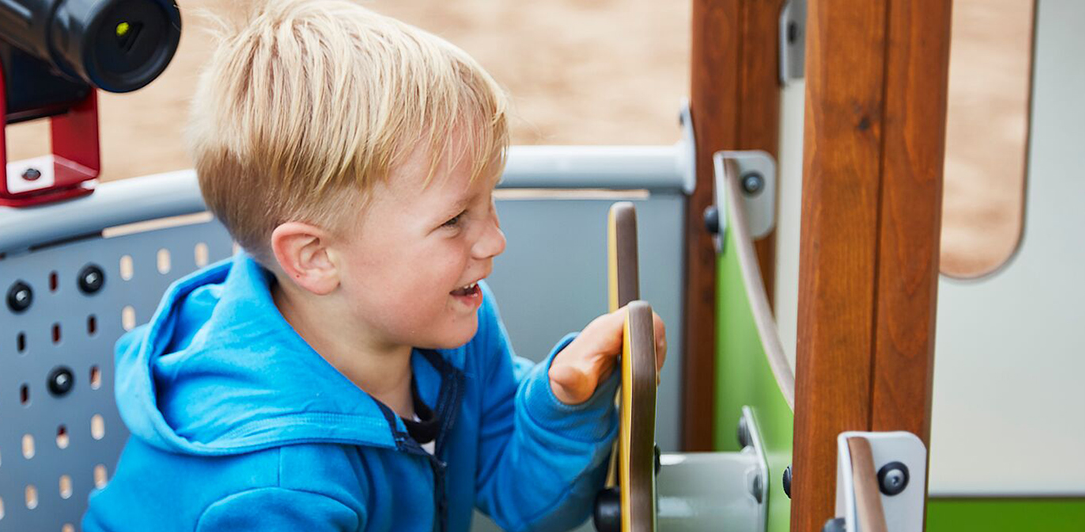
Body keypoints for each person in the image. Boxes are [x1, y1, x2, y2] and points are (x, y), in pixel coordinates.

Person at [82, 1, 666, 530]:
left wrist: (564, 402)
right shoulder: (280, 487)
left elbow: (522, 501)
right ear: (314, 257)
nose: (494, 240)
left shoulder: (445, 331)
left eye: (491, 203)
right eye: (455, 219)